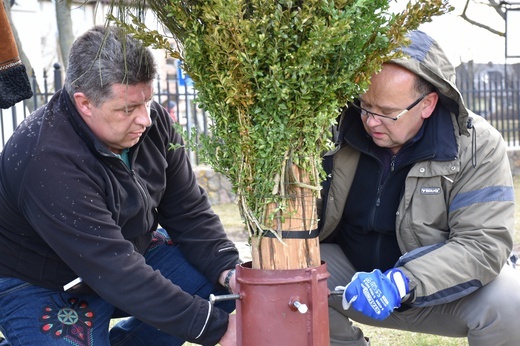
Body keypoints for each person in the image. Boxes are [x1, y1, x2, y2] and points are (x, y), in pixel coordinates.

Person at [0, 25, 240, 346]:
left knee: (221, 284)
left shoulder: (151, 124)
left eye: (147, 102)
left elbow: (188, 211)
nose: (146, 119)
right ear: (85, 103)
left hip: (128, 252)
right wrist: (216, 329)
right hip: (40, 280)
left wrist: (229, 270)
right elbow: (113, 268)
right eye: (128, 109)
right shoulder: (44, 157)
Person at [318, 30, 520, 346]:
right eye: (365, 106)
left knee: (511, 302)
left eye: (387, 112)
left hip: (437, 292)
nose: (370, 122)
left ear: (427, 104)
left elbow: (484, 243)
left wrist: (402, 282)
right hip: (350, 281)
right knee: (291, 271)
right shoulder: (337, 130)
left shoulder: (479, 145)